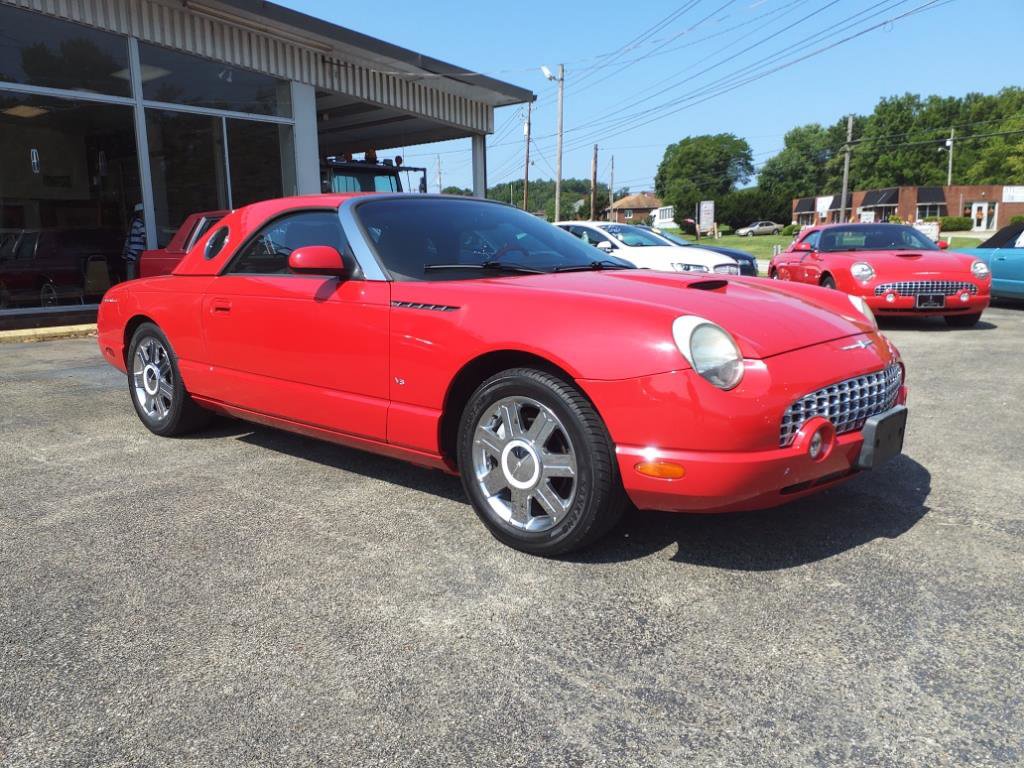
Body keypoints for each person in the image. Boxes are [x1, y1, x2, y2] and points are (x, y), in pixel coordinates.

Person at [122, 203, 145, 280]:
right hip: (136, 254)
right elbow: (145, 237)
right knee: (133, 277)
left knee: (132, 275)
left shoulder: (134, 223)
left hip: (132, 254)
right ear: (140, 213)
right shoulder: (139, 223)